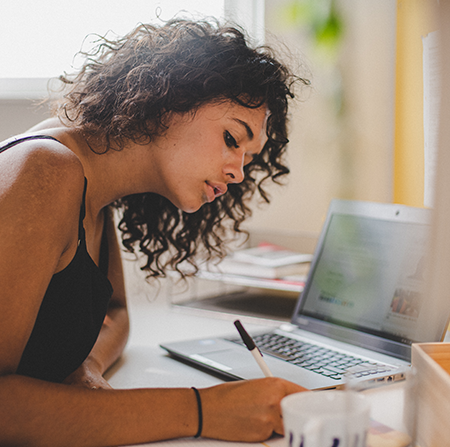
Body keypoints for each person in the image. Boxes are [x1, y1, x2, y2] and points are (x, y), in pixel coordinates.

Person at [0, 19, 310, 446]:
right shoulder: (46, 171)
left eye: (249, 159)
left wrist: (84, 366)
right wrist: (206, 410)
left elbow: (116, 314)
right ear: (171, 99)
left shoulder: (95, 189)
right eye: (232, 138)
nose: (238, 171)